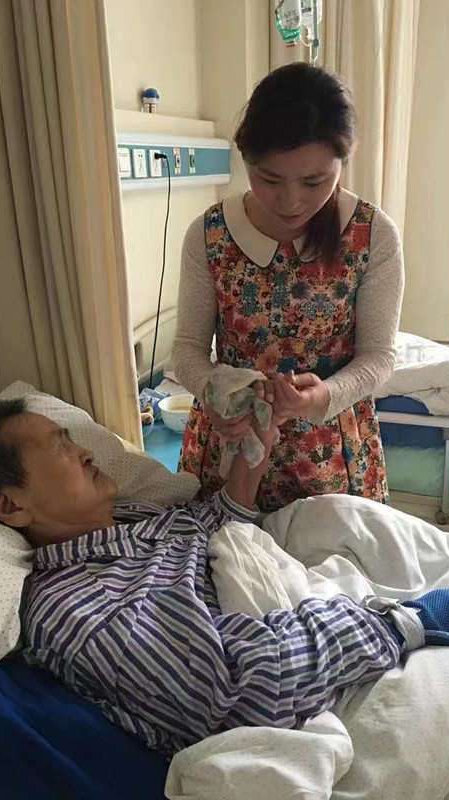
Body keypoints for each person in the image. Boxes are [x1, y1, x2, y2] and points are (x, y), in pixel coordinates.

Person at [0, 400, 449, 758]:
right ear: (9, 505)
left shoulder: (126, 523)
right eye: (59, 446)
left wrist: (254, 450)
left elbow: (208, 525)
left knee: (346, 517)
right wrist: (400, 624)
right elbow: (243, 693)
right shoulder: (81, 608)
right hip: (307, 675)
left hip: (298, 612)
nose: (85, 451)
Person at [172, 62, 405, 513]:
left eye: (314, 181)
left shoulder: (372, 235)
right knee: (217, 553)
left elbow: (379, 355)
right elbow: (186, 349)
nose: (290, 200)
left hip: (329, 453)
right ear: (246, 159)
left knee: (328, 558)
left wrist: (323, 397)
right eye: (269, 178)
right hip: (230, 442)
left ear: (343, 162)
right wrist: (212, 392)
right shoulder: (210, 234)